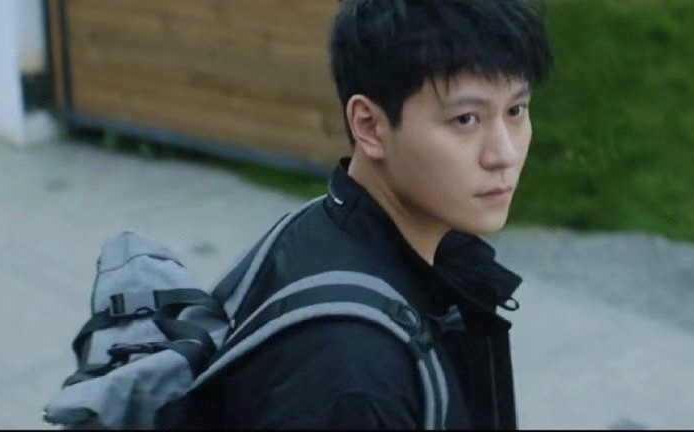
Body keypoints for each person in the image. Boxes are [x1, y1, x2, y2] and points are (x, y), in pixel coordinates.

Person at [202, 0, 553, 428]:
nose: (504, 153)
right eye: (466, 119)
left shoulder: (332, 231)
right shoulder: (351, 373)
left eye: (516, 110)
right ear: (369, 126)